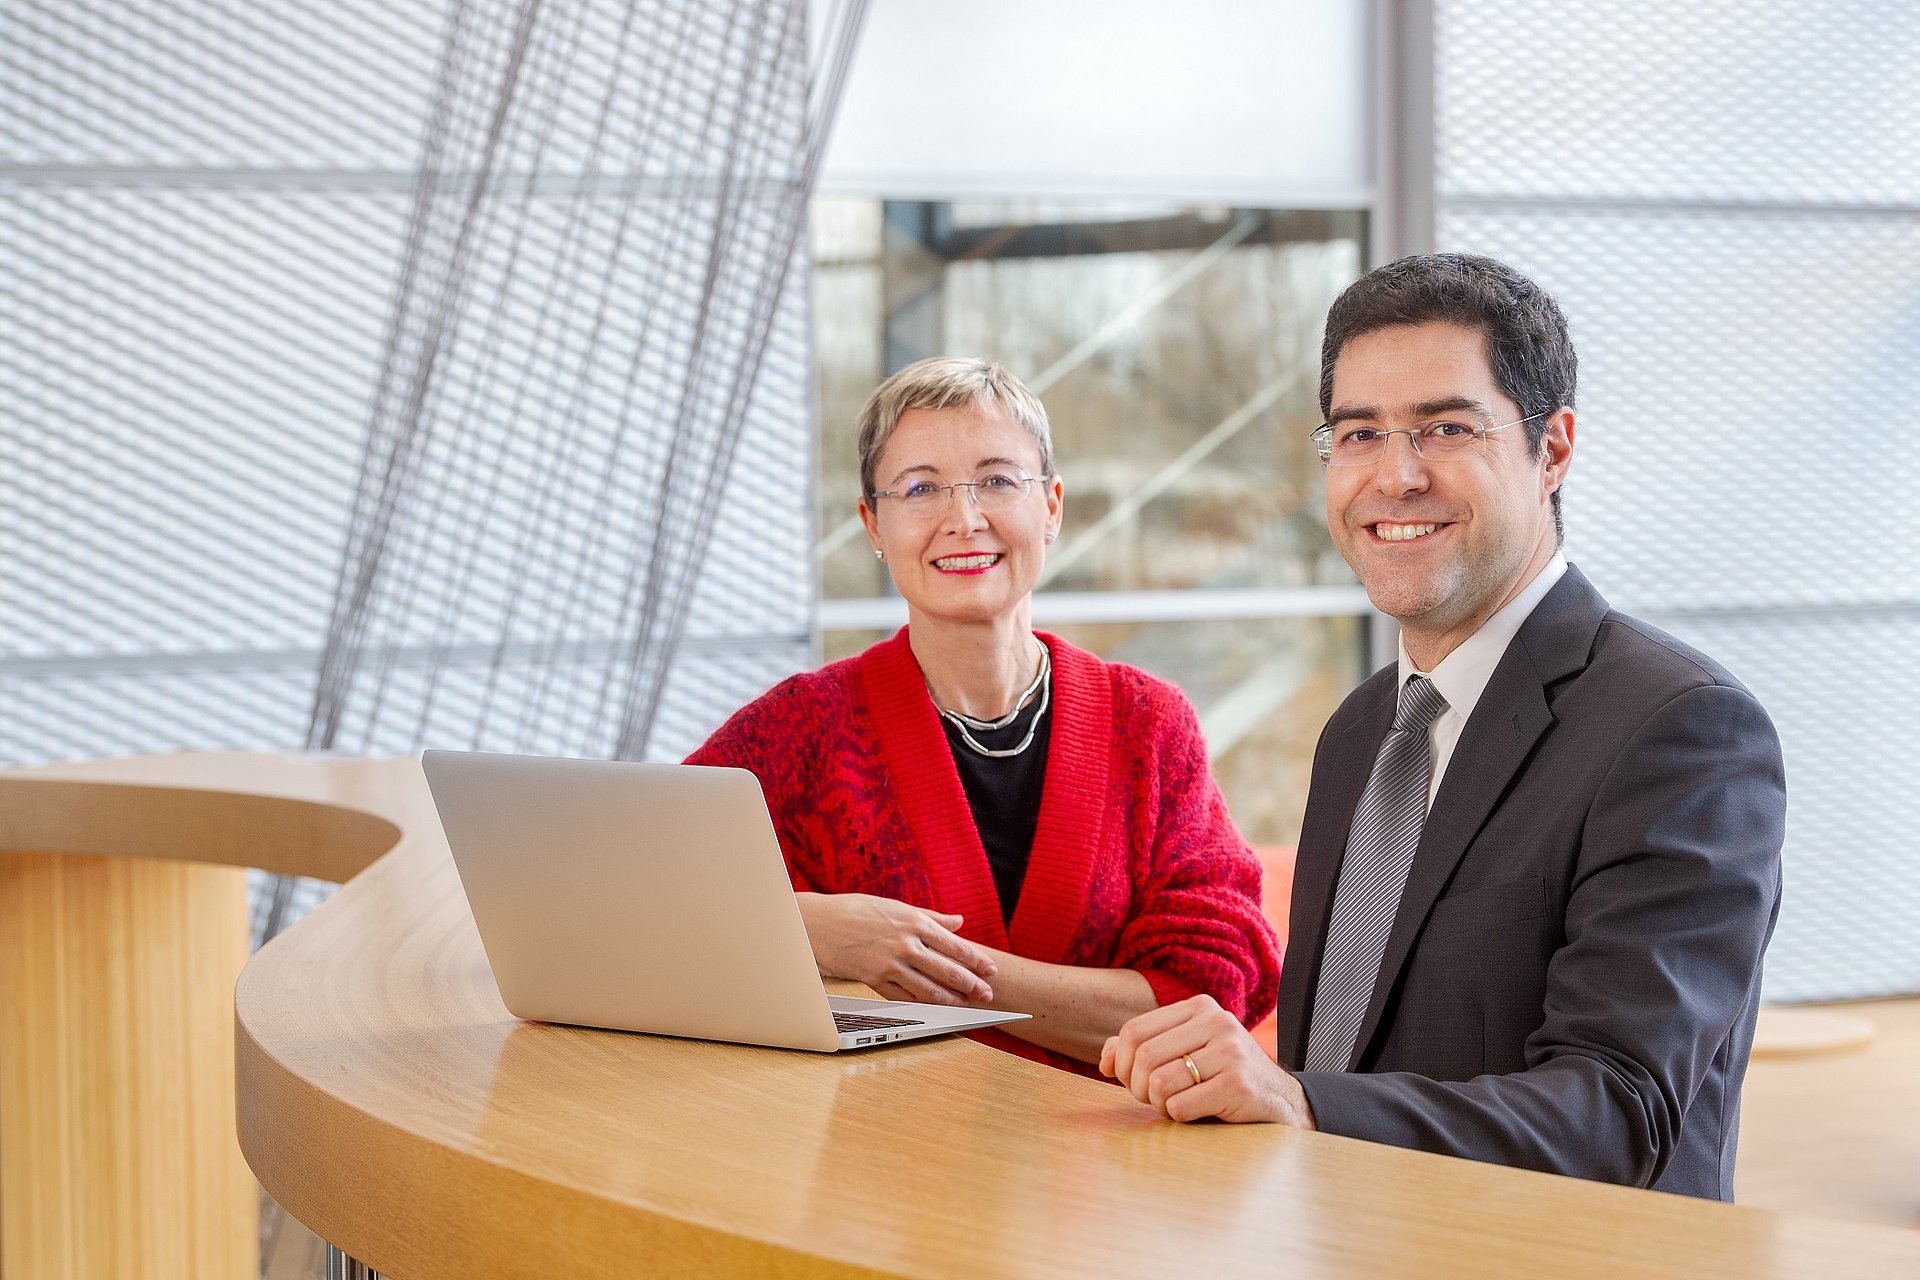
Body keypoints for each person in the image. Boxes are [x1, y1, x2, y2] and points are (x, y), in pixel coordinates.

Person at [1101, 254, 1785, 1201]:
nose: (1396, 475)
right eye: (1359, 434)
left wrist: (1302, 1103)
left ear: (1553, 450)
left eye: (1446, 428)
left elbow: (1617, 1110)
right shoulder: (1360, 732)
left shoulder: (1682, 730)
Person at [688, 356, 1281, 1075]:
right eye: (920, 488)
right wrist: (803, 927)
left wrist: (933, 971)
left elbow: (1208, 994)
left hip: (1108, 1170)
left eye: (998, 481)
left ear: (1053, 506)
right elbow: (640, 896)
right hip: (873, 1166)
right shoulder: (799, 730)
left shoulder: (1148, 725)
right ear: (872, 523)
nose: (963, 519)